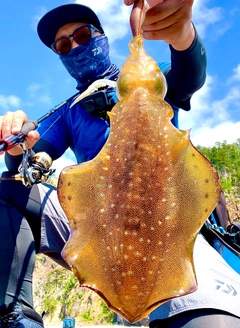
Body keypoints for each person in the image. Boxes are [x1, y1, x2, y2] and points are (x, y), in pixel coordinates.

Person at [0, 1, 239, 327]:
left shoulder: (150, 85)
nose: (75, 45)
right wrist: (15, 144)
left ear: (101, 37)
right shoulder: (70, 110)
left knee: (209, 319)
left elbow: (188, 74)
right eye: (64, 44)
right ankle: (15, 317)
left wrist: (182, 35)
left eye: (83, 35)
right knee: (5, 192)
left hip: (164, 219)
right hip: (100, 220)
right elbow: (23, 173)